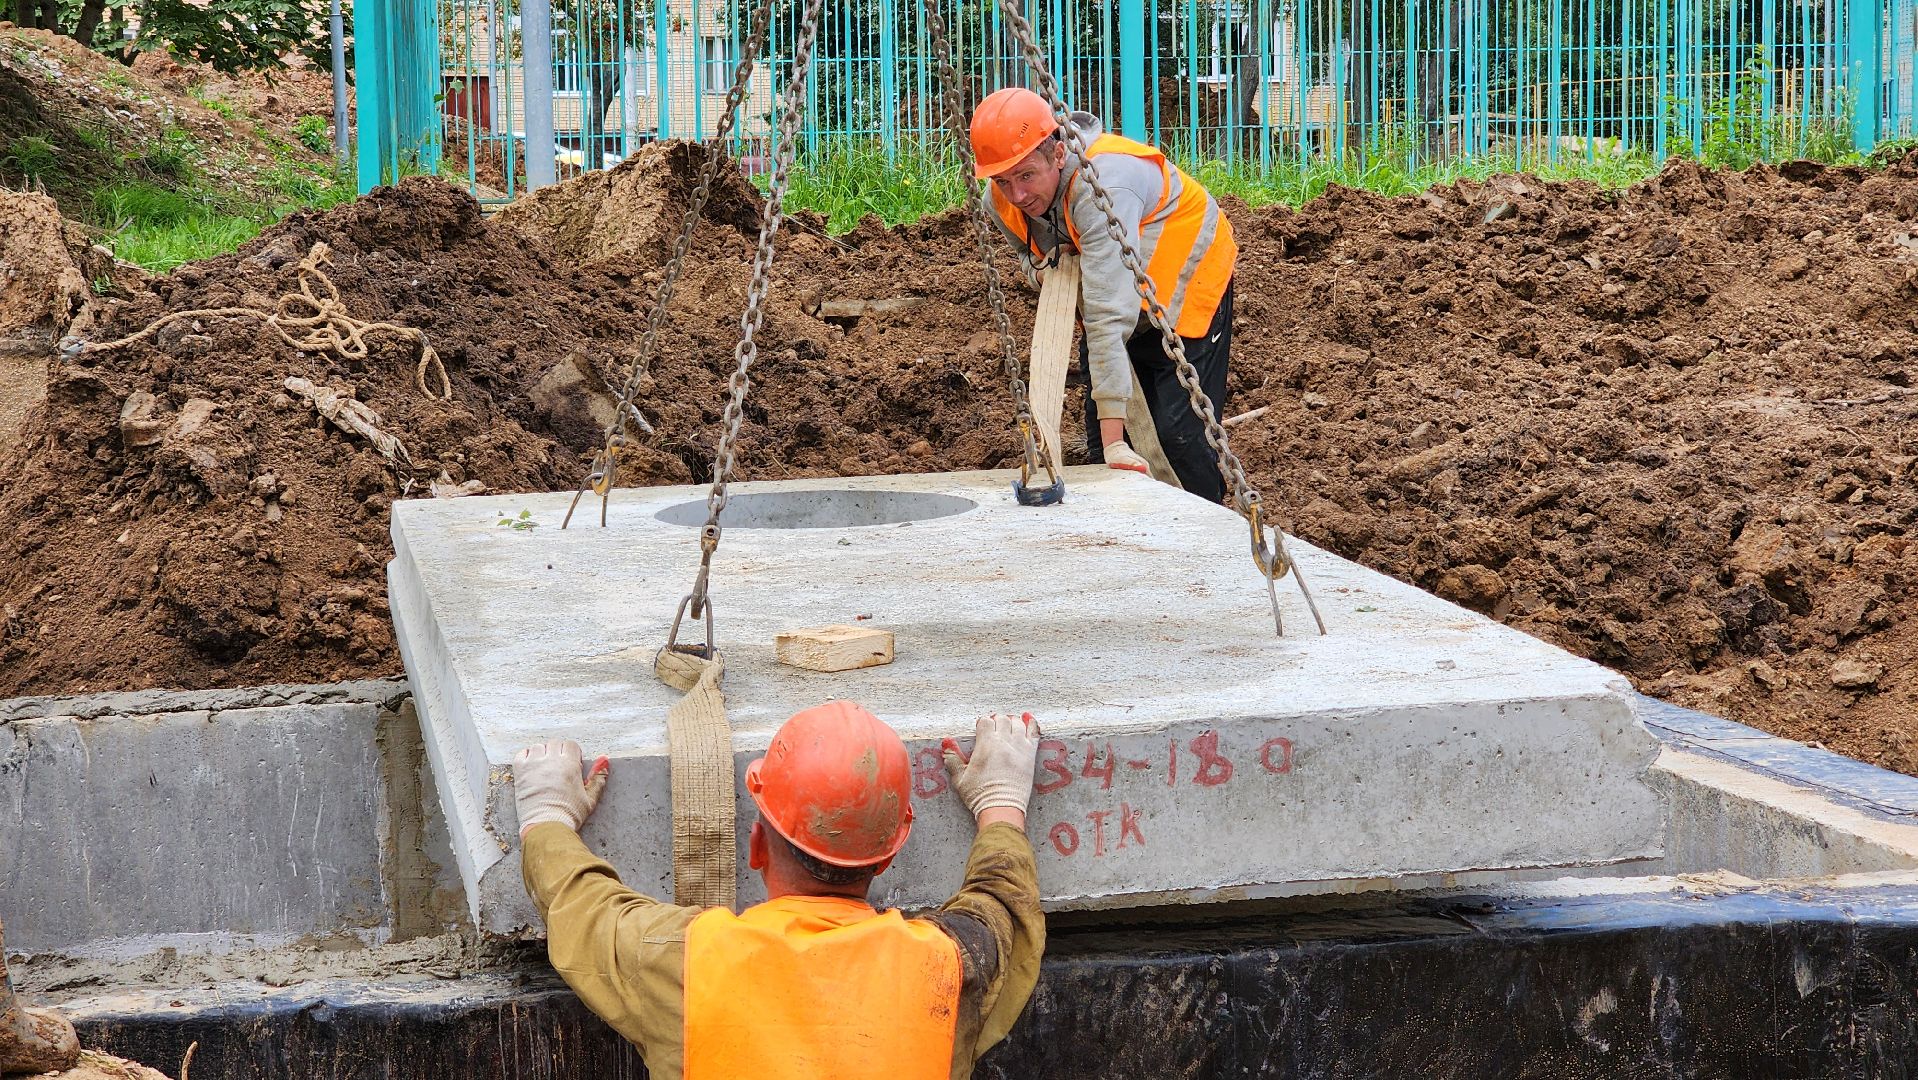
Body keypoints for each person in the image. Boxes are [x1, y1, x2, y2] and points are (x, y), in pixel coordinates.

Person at [512, 702, 1044, 1080]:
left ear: (757, 846)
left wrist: (547, 814)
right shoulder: (952, 966)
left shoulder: (686, 960)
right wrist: (1000, 801)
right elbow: (1002, 908)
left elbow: (582, 907)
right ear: (887, 856)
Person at [971, 86, 1239, 504]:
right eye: (1004, 181)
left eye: (1026, 175)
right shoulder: (1001, 201)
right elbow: (1031, 257)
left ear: (1057, 155)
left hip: (1185, 278)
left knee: (1180, 434)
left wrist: (1117, 443)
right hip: (1114, 280)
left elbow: (1107, 315)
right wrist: (1042, 271)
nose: (1017, 195)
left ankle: (1203, 521)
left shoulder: (1103, 186)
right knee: (1105, 443)